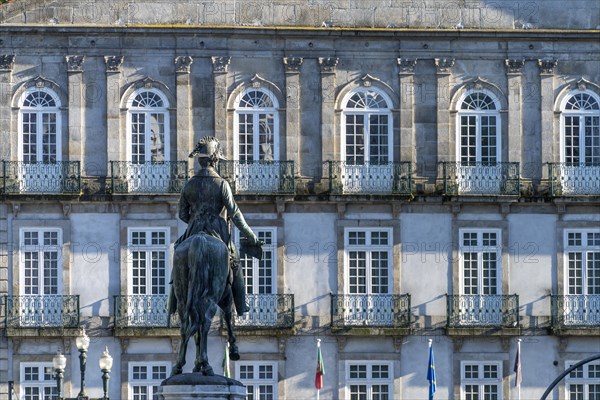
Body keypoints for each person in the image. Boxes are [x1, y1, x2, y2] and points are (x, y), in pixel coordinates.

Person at [173, 136, 262, 316]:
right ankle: (241, 304)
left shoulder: (189, 185)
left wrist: (195, 220)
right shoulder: (222, 184)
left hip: (193, 229)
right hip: (217, 231)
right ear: (215, 159)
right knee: (234, 262)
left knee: (178, 255)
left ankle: (173, 303)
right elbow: (234, 213)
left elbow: (182, 214)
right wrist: (251, 235)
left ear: (200, 160)